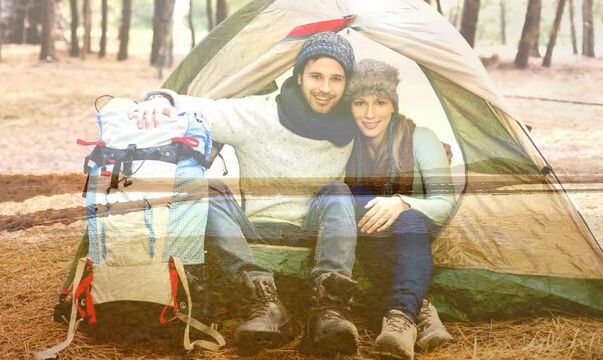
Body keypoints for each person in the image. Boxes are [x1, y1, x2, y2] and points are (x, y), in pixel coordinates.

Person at [136, 32, 361, 356]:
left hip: (317, 227)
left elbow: (390, 127)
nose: (325, 88)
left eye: (336, 79)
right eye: (316, 76)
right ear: (299, 76)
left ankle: (329, 311)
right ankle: (265, 303)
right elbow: (201, 108)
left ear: (346, 83)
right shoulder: (258, 113)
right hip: (255, 224)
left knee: (338, 192)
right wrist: (158, 99)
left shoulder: (352, 121)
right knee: (209, 190)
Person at [344, 59, 456, 359]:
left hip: (417, 229)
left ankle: (400, 319)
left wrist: (402, 202)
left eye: (380, 102)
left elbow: (445, 203)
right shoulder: (344, 145)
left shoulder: (421, 138)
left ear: (392, 104)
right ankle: (415, 312)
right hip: (371, 233)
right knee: (357, 201)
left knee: (407, 219)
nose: (370, 113)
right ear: (349, 106)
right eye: (360, 102)